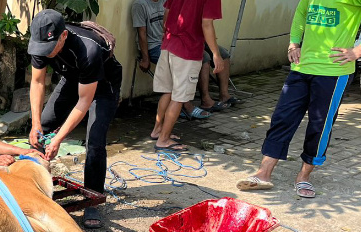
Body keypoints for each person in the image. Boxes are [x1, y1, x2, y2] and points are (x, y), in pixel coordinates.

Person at [236, 0, 361, 198]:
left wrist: (357, 51)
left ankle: (304, 176)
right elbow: (301, 14)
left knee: (319, 126)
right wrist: (294, 43)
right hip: (301, 67)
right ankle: (264, 174)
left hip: (333, 72)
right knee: (282, 117)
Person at [27, 9, 122, 229]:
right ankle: (35, 187)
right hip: (73, 78)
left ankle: (93, 199)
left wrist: (58, 139)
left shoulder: (88, 49)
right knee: (44, 125)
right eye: (42, 48)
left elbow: (84, 102)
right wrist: (35, 123)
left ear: (63, 36)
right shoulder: (40, 44)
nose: (46, 53)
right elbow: (38, 83)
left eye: (50, 48)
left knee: (95, 140)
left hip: (103, 86)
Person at [151, 0, 223, 152]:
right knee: (179, 97)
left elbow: (167, 13)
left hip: (168, 45)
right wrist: (216, 54)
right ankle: (163, 140)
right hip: (187, 50)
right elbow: (207, 24)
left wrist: (169, 36)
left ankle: (158, 131)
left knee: (168, 92)